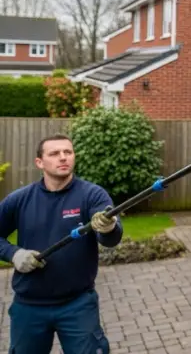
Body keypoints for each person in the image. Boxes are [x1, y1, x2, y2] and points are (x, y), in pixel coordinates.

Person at [0, 133, 123, 354]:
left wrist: (109, 227)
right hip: (29, 306)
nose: (63, 157)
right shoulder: (20, 200)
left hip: (78, 305)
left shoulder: (92, 195)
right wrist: (14, 254)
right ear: (40, 162)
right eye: (55, 153)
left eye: (68, 152)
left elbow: (110, 239)